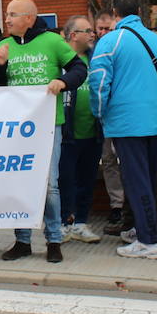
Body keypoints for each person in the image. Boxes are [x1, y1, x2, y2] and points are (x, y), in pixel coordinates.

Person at [0, 0, 86, 264]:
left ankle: (54, 240)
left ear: (29, 19)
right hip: (16, 128)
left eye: (12, 14)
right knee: (19, 182)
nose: (7, 19)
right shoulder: (4, 45)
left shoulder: (53, 41)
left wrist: (63, 81)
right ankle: (22, 241)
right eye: (7, 14)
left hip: (48, 124)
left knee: (49, 185)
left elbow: (79, 69)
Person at [89, 0, 157, 260]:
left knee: (136, 181)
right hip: (154, 119)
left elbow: (99, 84)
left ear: (114, 13)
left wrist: (98, 114)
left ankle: (148, 241)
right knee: (146, 178)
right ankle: (140, 230)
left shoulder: (110, 41)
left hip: (126, 122)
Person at [57, 16, 103, 244]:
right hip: (67, 133)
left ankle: (81, 223)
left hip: (92, 132)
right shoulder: (61, 60)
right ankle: (64, 223)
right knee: (65, 180)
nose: (92, 34)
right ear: (73, 35)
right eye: (87, 31)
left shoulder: (96, 59)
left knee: (87, 179)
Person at [92, 9, 126, 229]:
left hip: (122, 115)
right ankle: (117, 205)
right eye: (100, 29)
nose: (104, 32)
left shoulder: (121, 48)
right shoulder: (91, 51)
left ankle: (130, 206)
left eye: (108, 29)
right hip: (102, 115)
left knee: (127, 160)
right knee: (109, 161)